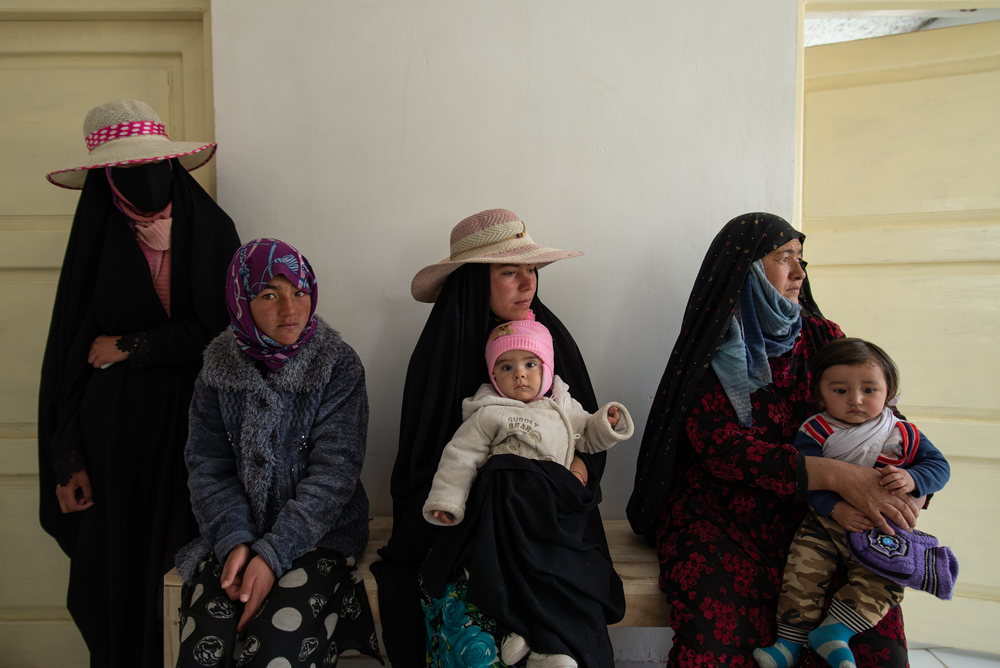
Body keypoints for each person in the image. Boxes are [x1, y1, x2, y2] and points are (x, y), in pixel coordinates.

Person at [627, 212, 922, 668]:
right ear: (746, 268)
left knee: (871, 641)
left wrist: (907, 480)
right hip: (723, 513)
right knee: (716, 642)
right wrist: (836, 476)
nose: (799, 272)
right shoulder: (715, 345)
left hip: (819, 511)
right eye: (784, 258)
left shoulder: (823, 338)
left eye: (801, 258)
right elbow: (721, 449)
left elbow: (880, 414)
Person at [371, 208, 625, 668]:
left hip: (552, 513)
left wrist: (580, 468)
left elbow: (583, 426)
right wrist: (492, 485)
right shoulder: (441, 353)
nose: (529, 283)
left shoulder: (551, 340)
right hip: (466, 522)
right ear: (474, 281)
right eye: (510, 272)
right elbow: (425, 462)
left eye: (531, 270)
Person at [39, 99, 240, 667]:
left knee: (190, 568)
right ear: (107, 178)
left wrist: (132, 345)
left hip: (200, 432)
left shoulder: (212, 229)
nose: (146, 181)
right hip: (115, 438)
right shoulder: (98, 239)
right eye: (128, 171)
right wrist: (66, 459)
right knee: (116, 574)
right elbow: (70, 355)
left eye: (152, 166)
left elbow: (225, 331)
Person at [174, 238, 382, 667]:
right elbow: (208, 468)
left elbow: (334, 475)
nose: (290, 309)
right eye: (269, 294)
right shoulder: (217, 369)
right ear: (241, 300)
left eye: (299, 292)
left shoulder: (337, 364)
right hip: (238, 529)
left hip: (319, 535)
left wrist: (271, 555)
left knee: (277, 641)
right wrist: (235, 543)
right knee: (207, 638)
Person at [422, 313, 634, 668]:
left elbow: (589, 438)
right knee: (510, 560)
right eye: (506, 367)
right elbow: (460, 457)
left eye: (530, 364)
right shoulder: (488, 413)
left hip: (553, 513)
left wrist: (607, 422)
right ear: (493, 376)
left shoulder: (564, 407)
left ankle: (548, 648)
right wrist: (447, 500)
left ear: (547, 368)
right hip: (509, 511)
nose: (519, 374)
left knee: (556, 569)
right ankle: (519, 627)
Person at [754, 338, 955, 668]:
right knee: (802, 574)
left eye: (869, 390)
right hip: (824, 524)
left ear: (889, 393)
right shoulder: (815, 432)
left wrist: (913, 478)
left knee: (888, 581)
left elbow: (939, 467)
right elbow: (807, 480)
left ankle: (836, 632)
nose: (856, 400)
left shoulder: (903, 433)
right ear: (819, 395)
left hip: (883, 531)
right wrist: (835, 508)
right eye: (840, 390)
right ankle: (788, 643)